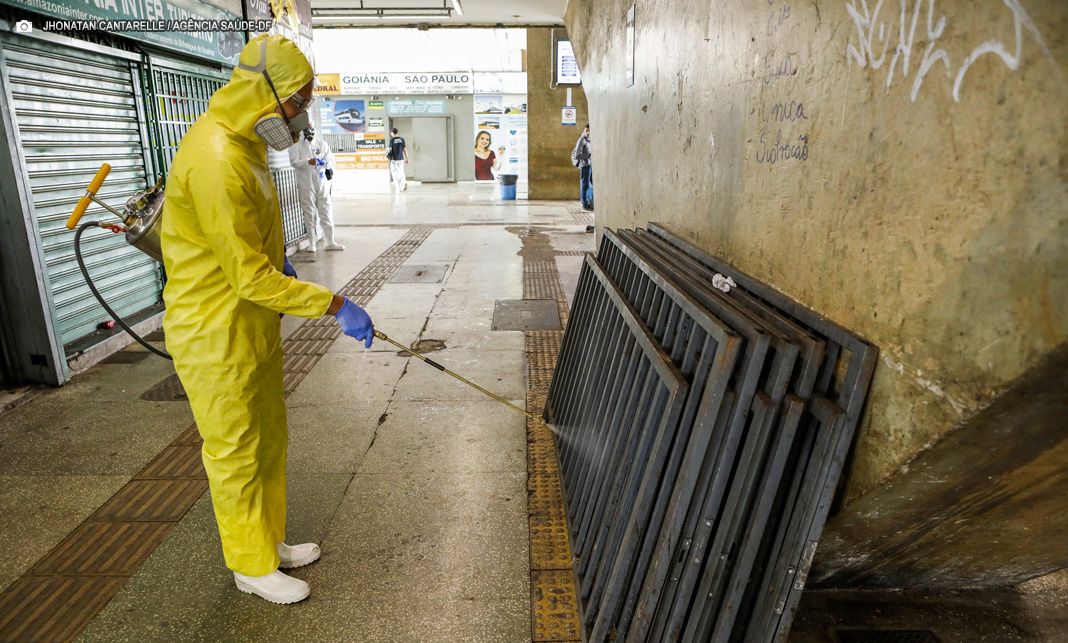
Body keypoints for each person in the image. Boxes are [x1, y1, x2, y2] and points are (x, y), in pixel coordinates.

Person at [160, 34, 375, 605]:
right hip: (215, 331)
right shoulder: (215, 160)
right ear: (264, 93)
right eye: (297, 102)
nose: (302, 113)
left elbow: (254, 248)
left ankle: (268, 539)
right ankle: (249, 565)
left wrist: (278, 256)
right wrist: (333, 304)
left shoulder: (246, 144)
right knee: (233, 451)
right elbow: (248, 277)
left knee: (268, 441)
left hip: (251, 326)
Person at [289, 125, 343, 252]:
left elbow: (331, 159)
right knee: (309, 212)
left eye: (311, 128)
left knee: (326, 211)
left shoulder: (321, 144)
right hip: (306, 183)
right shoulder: (297, 146)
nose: (310, 131)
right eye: (306, 128)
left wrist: (325, 162)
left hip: (322, 182)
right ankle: (312, 242)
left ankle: (330, 241)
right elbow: (294, 162)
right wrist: (308, 161)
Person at [571, 124, 593, 212]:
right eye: (587, 130)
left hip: (591, 165)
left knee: (590, 185)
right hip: (585, 166)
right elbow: (577, 155)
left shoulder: (590, 140)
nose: (588, 132)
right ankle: (584, 204)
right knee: (585, 185)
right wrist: (588, 156)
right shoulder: (582, 140)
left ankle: (589, 202)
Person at [387, 127, 408, 191]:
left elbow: (389, 151)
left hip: (394, 160)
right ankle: (403, 184)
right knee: (401, 172)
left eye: (391, 133)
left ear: (392, 133)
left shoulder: (392, 141)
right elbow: (405, 149)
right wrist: (407, 158)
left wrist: (388, 157)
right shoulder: (402, 139)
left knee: (394, 174)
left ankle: (398, 188)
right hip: (401, 159)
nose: (391, 134)